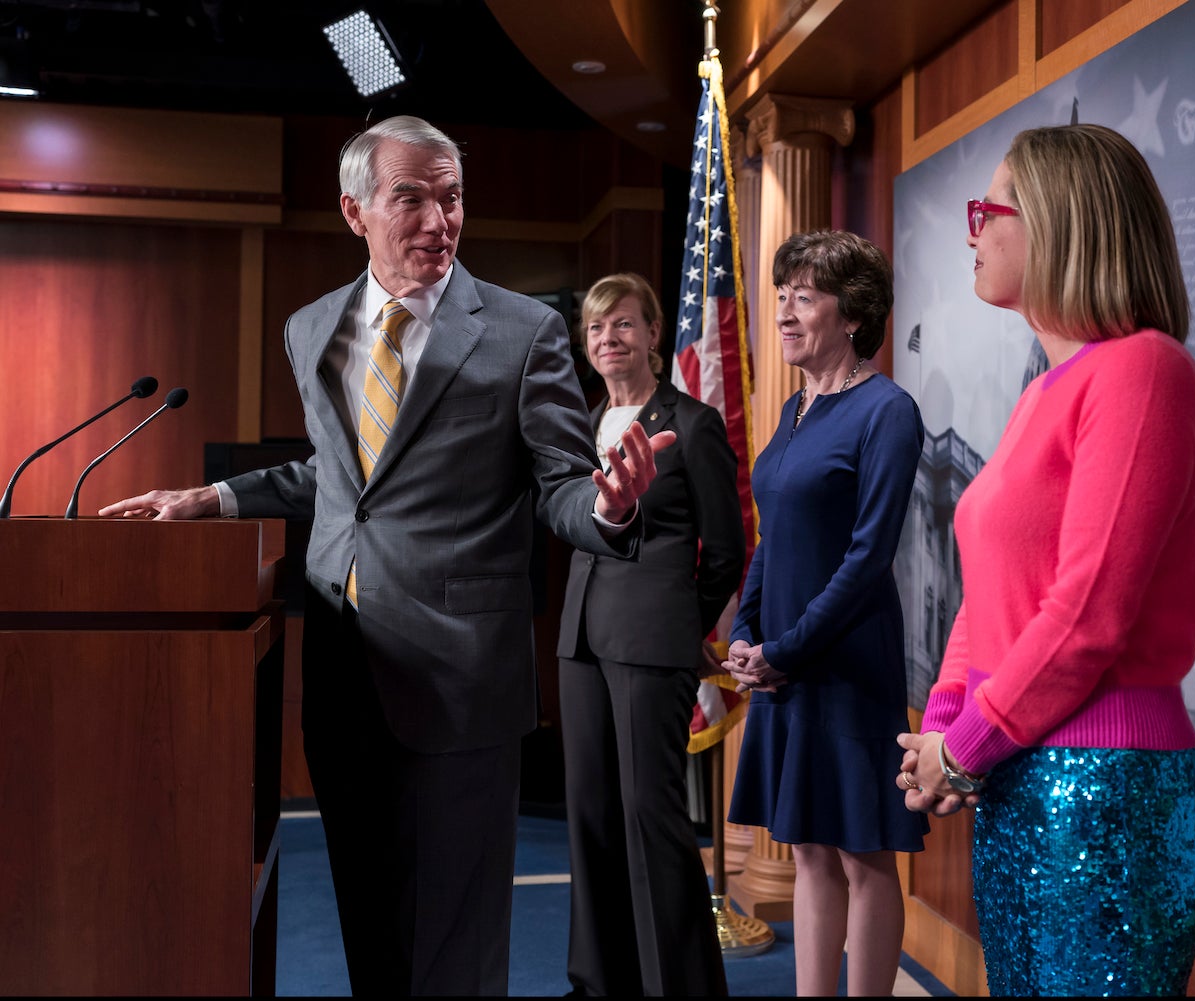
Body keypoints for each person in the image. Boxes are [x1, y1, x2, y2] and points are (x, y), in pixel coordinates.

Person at [98, 115, 674, 996]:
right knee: (370, 937)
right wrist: (214, 497)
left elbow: (560, 481)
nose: (439, 220)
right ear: (354, 210)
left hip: (461, 682)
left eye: (452, 198)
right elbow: (342, 475)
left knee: (453, 954)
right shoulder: (310, 328)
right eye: (411, 198)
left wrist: (609, 505)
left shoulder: (523, 331)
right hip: (343, 678)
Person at [896, 123, 1195, 996]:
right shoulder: (1044, 388)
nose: (973, 231)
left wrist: (962, 750)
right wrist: (947, 720)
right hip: (1026, 780)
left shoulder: (1144, 370)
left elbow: (1088, 613)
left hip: (1105, 794)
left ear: (1058, 221)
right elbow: (990, 591)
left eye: (989, 210)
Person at [723, 229, 927, 997]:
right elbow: (773, 537)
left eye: (803, 297)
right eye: (781, 295)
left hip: (847, 666)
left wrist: (788, 650)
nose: (783, 311)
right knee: (808, 845)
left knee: (862, 853)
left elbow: (868, 558)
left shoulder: (887, 411)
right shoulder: (795, 408)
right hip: (786, 663)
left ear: (854, 314)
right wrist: (748, 631)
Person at [554, 272, 744, 996]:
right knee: (590, 813)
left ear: (654, 333)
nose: (610, 338)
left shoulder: (692, 423)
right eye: (597, 327)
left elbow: (724, 550)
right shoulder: (577, 425)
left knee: (648, 813)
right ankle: (599, 982)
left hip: (652, 642)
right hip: (580, 637)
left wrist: (679, 627)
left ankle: (680, 985)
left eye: (625, 323)